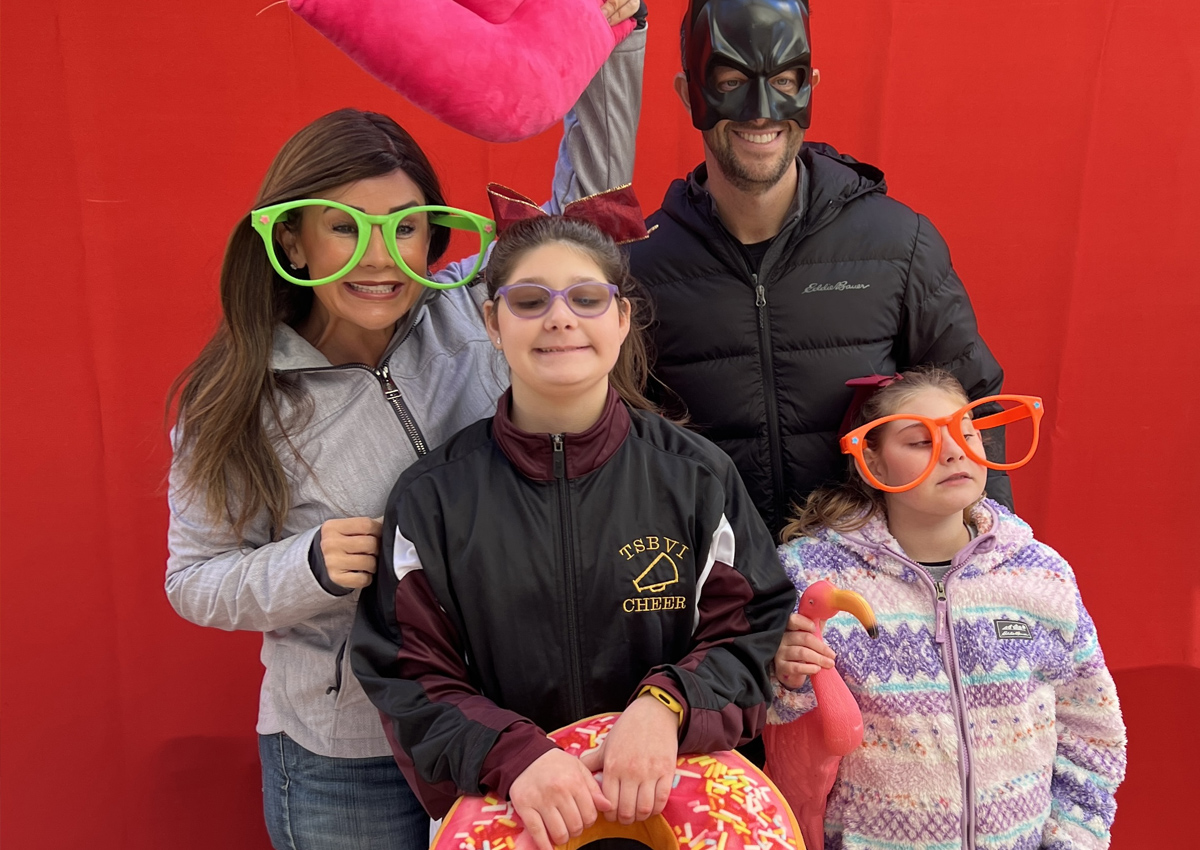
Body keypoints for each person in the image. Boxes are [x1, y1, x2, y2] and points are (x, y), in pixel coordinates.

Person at [164, 9, 646, 847]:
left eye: (404, 227)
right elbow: (194, 577)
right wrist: (308, 565)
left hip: (507, 732)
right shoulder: (237, 400)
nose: (380, 260)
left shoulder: (479, 311)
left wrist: (616, 31)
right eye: (348, 228)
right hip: (344, 761)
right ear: (296, 241)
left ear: (431, 234)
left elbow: (584, 218)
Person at [350, 186, 796, 850]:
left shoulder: (696, 477)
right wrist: (514, 756)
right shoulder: (434, 499)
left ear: (621, 319)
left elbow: (754, 632)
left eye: (586, 299)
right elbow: (410, 676)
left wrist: (666, 706)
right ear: (493, 323)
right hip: (513, 810)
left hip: (676, 806)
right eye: (530, 301)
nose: (560, 319)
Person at [627, 0, 1010, 543]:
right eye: (732, 80)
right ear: (686, 91)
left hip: (875, 601)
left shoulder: (897, 243)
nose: (760, 111)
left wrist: (986, 561)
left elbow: (974, 406)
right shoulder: (639, 266)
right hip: (716, 604)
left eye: (783, 80)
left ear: (811, 84)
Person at [771, 368, 1127, 850]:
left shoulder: (1040, 575)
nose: (955, 451)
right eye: (920, 441)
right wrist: (785, 679)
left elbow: (1092, 729)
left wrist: (1072, 841)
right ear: (870, 460)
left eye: (967, 432)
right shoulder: (811, 577)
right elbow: (783, 733)